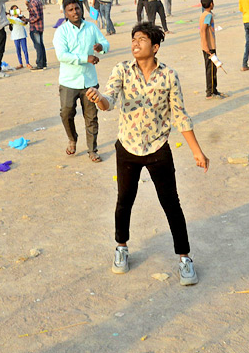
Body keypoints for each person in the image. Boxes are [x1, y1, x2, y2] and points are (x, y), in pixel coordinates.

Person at [84, 22, 209, 287]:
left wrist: (197, 152)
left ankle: (185, 259)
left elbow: (180, 115)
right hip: (127, 147)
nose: (135, 43)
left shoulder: (169, 76)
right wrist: (98, 98)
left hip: (157, 148)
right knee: (124, 200)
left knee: (171, 203)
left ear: (155, 47)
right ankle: (121, 247)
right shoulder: (121, 70)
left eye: (141, 39)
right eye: (133, 39)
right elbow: (109, 101)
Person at [54, 0, 110, 163]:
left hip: (89, 82)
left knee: (91, 116)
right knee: (66, 113)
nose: (75, 12)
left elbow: (105, 43)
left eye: (77, 8)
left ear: (81, 9)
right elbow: (62, 56)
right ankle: (72, 139)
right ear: (65, 13)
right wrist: (86, 58)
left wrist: (101, 47)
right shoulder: (62, 31)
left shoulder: (91, 27)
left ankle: (92, 150)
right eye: (70, 10)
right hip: (69, 81)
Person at [198, 0, 223, 99]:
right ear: (211, 4)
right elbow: (203, 30)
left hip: (208, 45)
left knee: (213, 68)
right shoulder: (208, 15)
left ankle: (214, 90)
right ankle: (210, 92)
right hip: (209, 46)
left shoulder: (204, 14)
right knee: (211, 69)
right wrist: (206, 46)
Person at [20, 0, 47, 71]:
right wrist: (28, 6)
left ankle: (39, 64)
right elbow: (33, 12)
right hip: (39, 26)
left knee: (38, 46)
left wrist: (27, 20)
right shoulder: (36, 0)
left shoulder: (33, 3)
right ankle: (43, 63)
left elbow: (36, 15)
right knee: (40, 45)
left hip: (35, 27)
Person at [9, 4, 31, 70]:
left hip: (22, 34)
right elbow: (10, 27)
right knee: (18, 50)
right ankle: (20, 63)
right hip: (15, 35)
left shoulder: (21, 16)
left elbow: (25, 23)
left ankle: (27, 63)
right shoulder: (11, 19)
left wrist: (21, 17)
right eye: (14, 10)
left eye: (16, 9)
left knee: (25, 49)